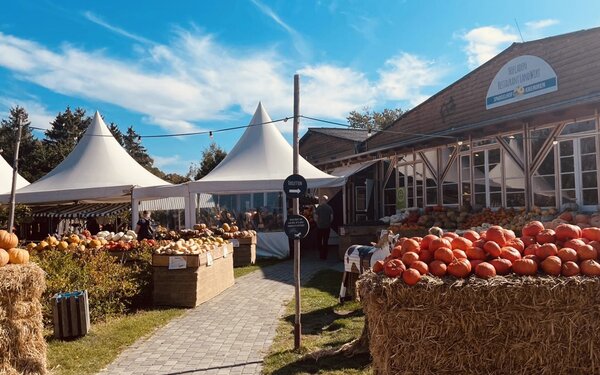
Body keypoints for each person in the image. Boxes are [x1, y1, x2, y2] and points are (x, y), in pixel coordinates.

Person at [313, 195, 334, 260]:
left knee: (319, 240)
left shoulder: (319, 207)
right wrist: (328, 223)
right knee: (325, 241)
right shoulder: (329, 208)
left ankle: (320, 253)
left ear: (322, 200)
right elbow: (331, 218)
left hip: (319, 227)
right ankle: (324, 255)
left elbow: (316, 217)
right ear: (326, 200)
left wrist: (317, 223)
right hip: (327, 227)